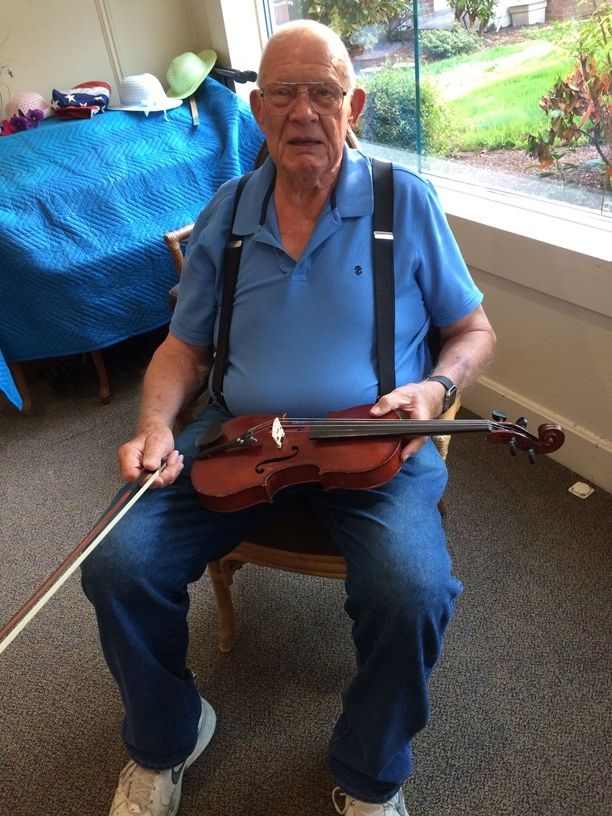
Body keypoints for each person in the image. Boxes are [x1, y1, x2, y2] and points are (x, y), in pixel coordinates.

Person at [82, 19, 496, 816]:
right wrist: (158, 425)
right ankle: (170, 734)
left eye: (324, 92)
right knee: (117, 564)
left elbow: (471, 332)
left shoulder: (403, 203)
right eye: (283, 93)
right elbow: (182, 348)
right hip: (239, 438)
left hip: (377, 444)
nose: (304, 112)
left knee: (413, 592)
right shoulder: (227, 214)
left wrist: (436, 392)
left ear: (356, 105)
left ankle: (369, 771)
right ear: (257, 106)